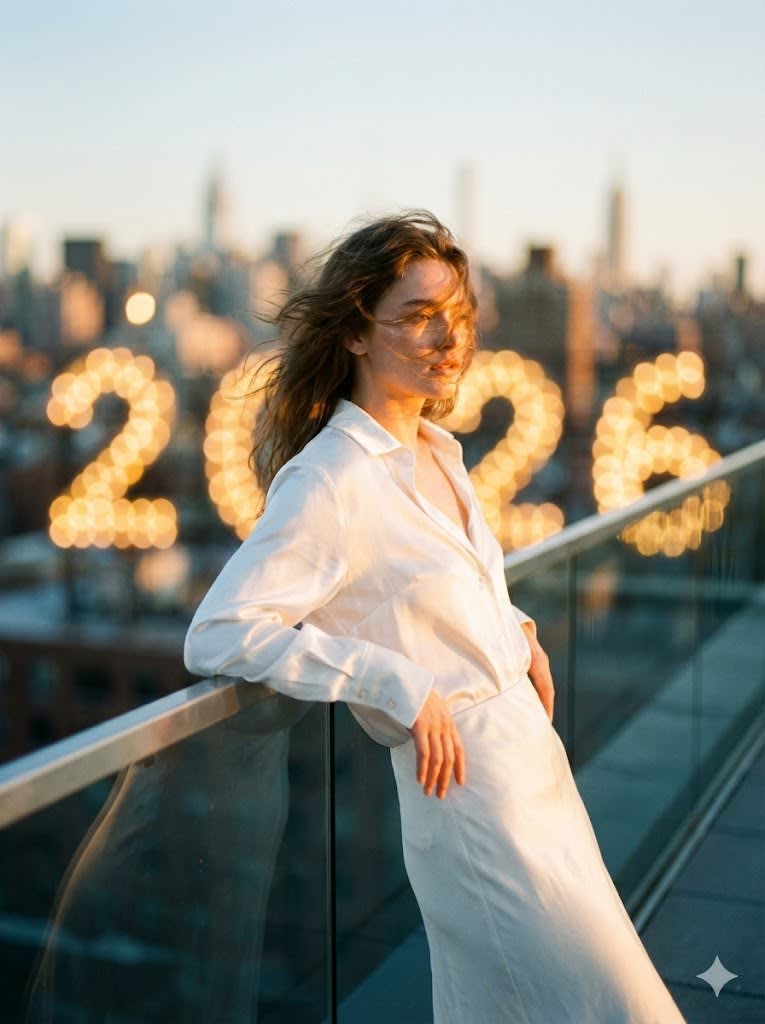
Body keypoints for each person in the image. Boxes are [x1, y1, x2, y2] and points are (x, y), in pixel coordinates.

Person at [184, 211, 687, 1023]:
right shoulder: (331, 479)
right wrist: (395, 680)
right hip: (468, 798)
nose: (446, 339)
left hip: (534, 770)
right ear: (353, 332)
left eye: (455, 317)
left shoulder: (437, 452)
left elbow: (439, 583)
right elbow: (220, 631)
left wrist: (512, 632)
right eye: (417, 317)